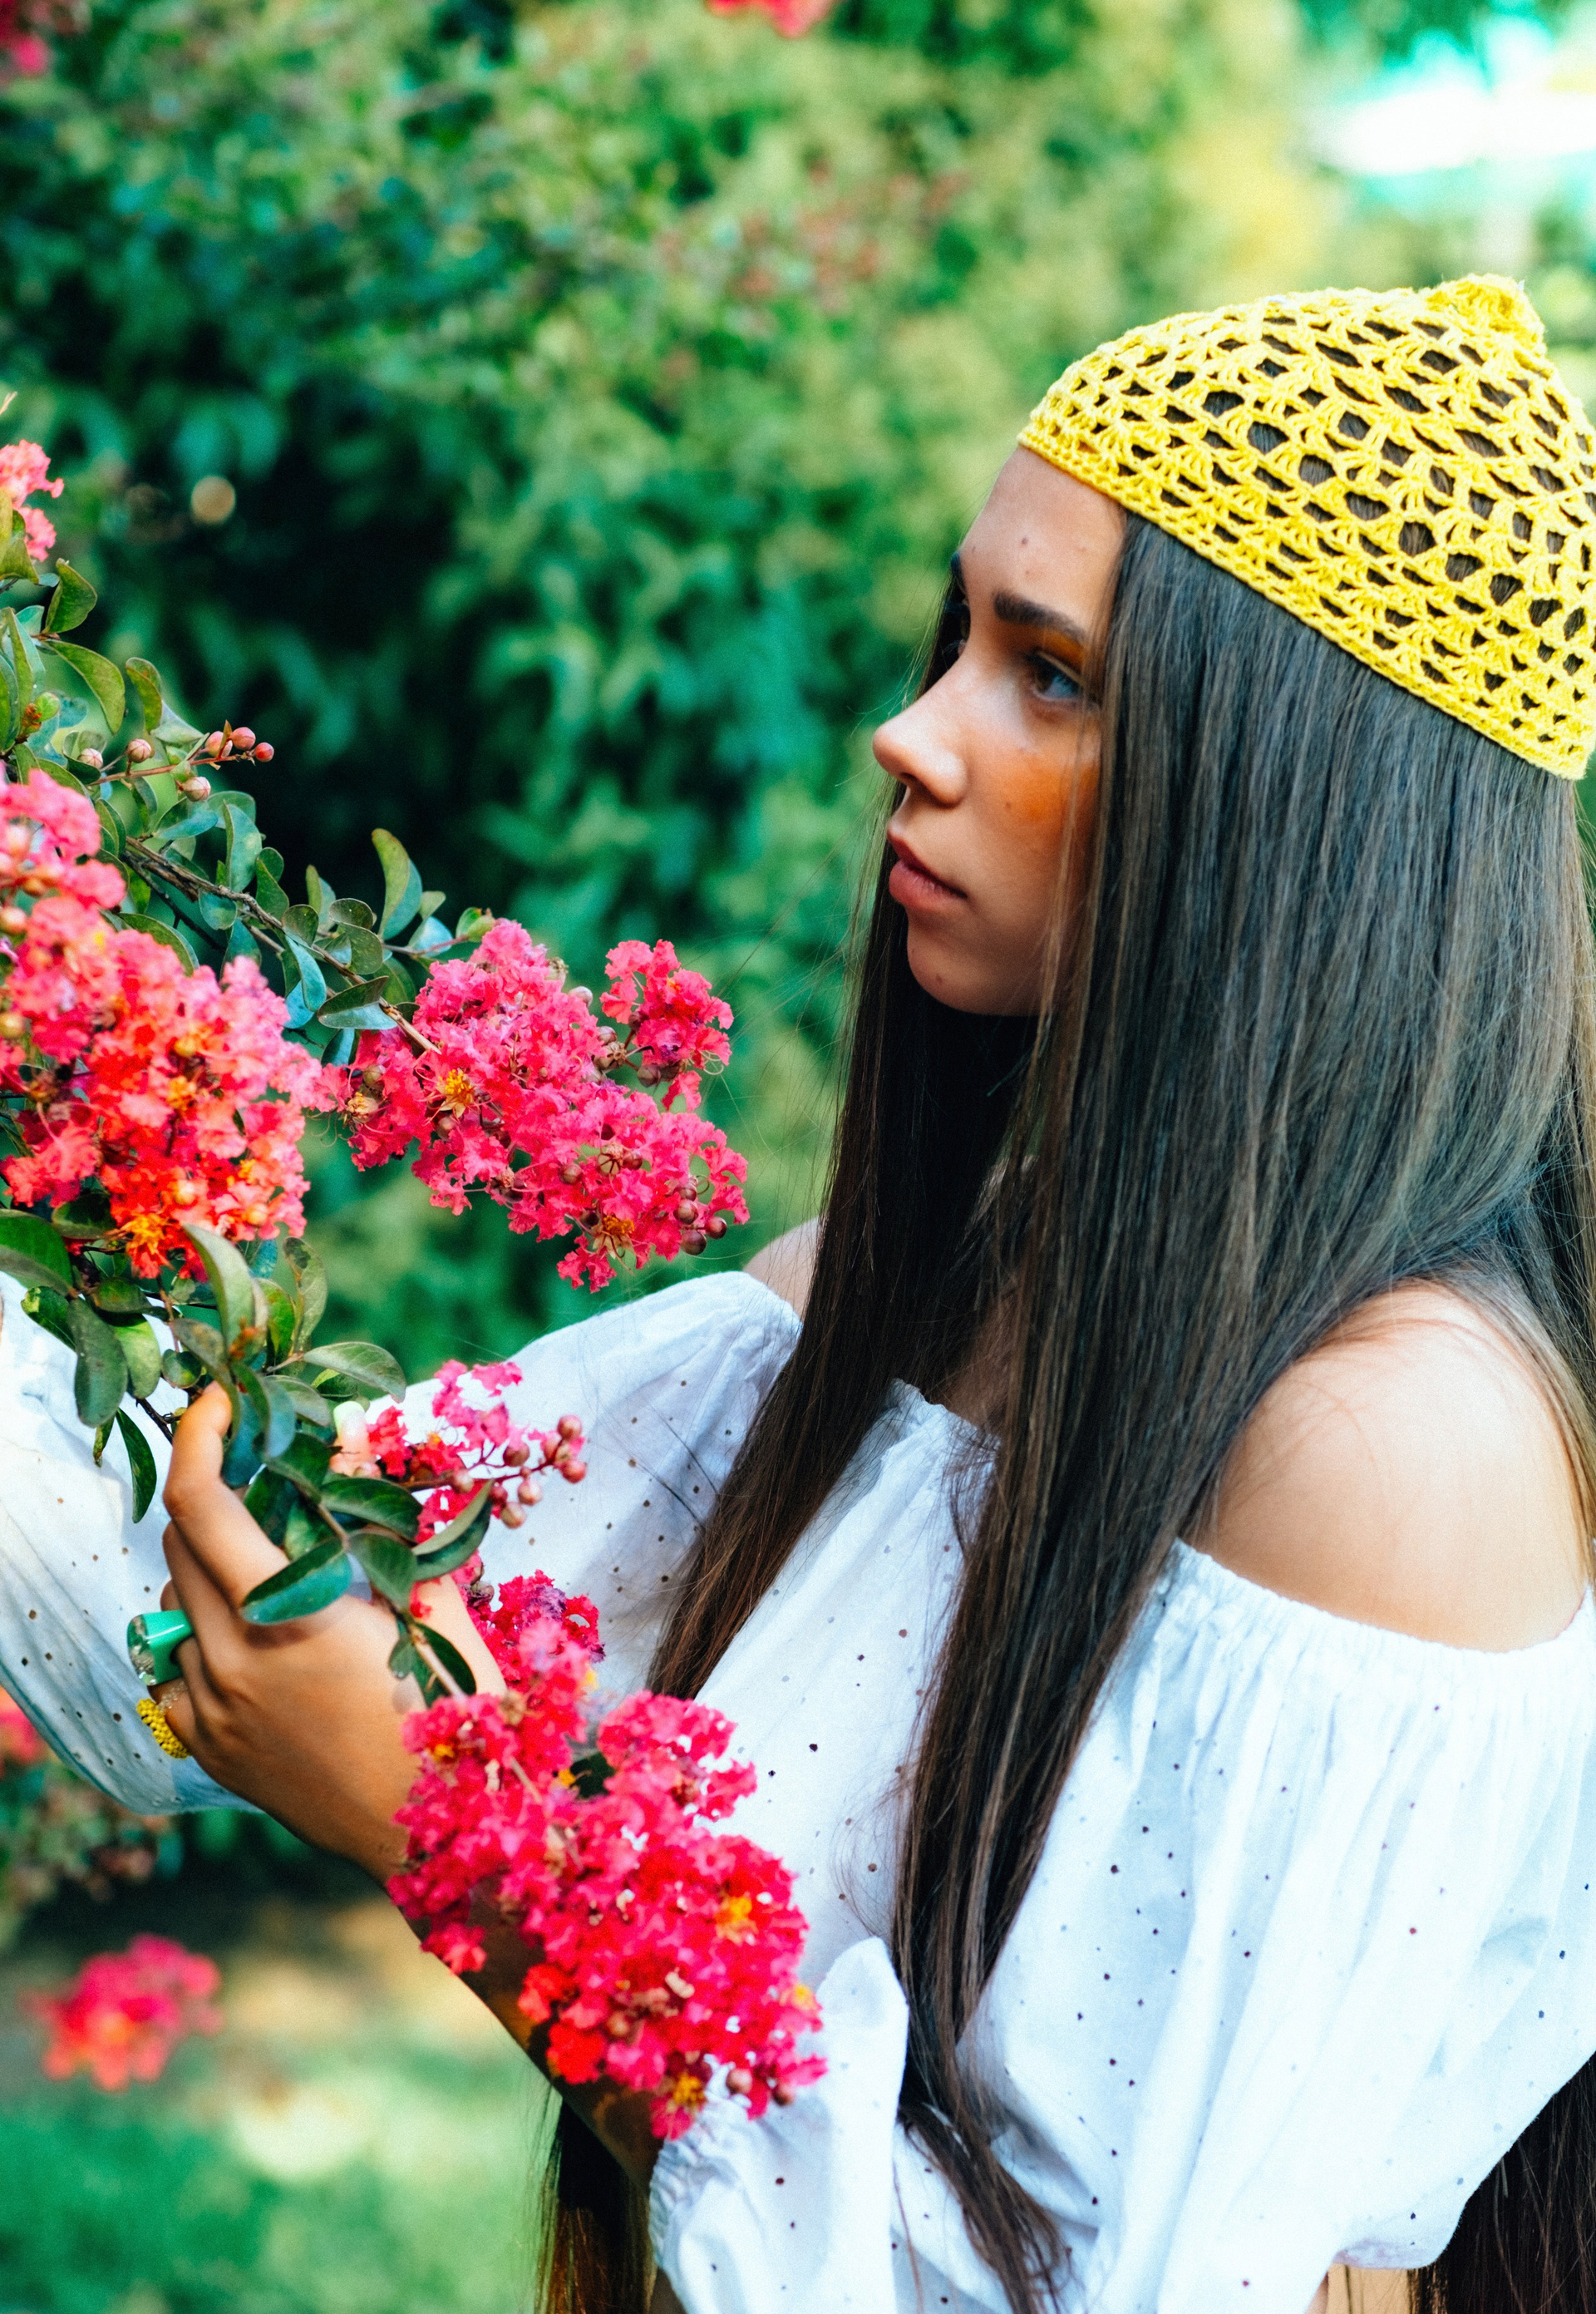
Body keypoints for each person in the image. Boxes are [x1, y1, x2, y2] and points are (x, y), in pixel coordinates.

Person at [7, 273, 1596, 2314]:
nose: (909, 735)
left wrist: (445, 1835)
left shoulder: (1399, 1461)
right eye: (966, 640)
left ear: (1291, 812)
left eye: (1052, 675)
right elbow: (200, 1586)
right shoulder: (910, 1303)